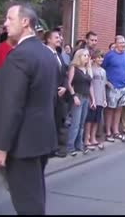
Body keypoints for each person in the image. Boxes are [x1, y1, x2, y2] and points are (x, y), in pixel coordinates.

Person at [0, 3, 59, 215]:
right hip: (41, 138)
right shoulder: (47, 54)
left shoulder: (19, 55)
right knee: (35, 196)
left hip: (23, 143)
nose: (5, 24)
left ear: (25, 22)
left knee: (28, 204)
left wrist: (1, 146)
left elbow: (11, 104)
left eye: (10, 19)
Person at [43, 30, 69, 158]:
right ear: (48, 39)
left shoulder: (58, 55)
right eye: (56, 37)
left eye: (60, 37)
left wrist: (64, 87)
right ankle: (46, 148)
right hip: (47, 94)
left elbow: (64, 73)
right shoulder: (43, 54)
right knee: (47, 121)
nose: (60, 39)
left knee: (57, 121)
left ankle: (55, 147)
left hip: (60, 95)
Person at [66, 48, 95, 156]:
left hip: (86, 97)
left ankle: (79, 144)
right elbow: (69, 84)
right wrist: (74, 96)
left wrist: (93, 99)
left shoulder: (87, 69)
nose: (87, 57)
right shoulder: (74, 68)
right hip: (77, 96)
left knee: (82, 123)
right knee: (75, 123)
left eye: (88, 55)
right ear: (79, 56)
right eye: (85, 55)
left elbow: (90, 85)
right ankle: (70, 146)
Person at [102, 35, 125, 143]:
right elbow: (103, 69)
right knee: (110, 110)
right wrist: (107, 82)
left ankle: (116, 130)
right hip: (112, 86)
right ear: (116, 44)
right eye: (120, 42)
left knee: (119, 109)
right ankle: (108, 132)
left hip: (124, 86)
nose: (123, 45)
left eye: (124, 42)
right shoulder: (109, 55)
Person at [84, 50, 107, 151]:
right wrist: (91, 98)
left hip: (100, 99)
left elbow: (103, 86)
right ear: (94, 58)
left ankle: (93, 137)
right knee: (89, 120)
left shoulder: (103, 71)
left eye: (102, 57)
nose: (100, 59)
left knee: (97, 120)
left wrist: (104, 99)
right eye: (98, 57)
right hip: (93, 98)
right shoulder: (91, 70)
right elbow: (90, 85)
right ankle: (86, 138)